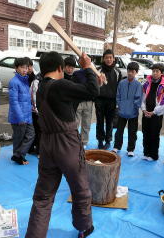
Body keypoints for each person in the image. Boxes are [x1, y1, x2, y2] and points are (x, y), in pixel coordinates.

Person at [25, 52, 103, 238]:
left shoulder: (40, 86)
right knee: (80, 189)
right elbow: (93, 92)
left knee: (43, 196)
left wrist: (93, 77)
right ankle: (84, 227)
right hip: (67, 144)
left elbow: (76, 93)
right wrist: (87, 67)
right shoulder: (59, 86)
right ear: (60, 68)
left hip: (47, 145)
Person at [141, 63, 164, 161]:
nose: (154, 73)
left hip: (156, 114)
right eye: (153, 71)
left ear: (161, 73)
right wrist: (144, 109)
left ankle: (153, 155)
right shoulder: (147, 83)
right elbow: (142, 97)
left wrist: (154, 112)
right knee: (145, 133)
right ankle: (146, 152)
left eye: (157, 71)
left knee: (154, 134)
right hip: (146, 112)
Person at [112, 62, 143, 157]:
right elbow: (118, 96)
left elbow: (138, 99)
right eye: (129, 71)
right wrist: (119, 106)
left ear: (136, 72)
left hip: (133, 113)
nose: (130, 73)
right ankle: (117, 146)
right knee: (119, 131)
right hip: (122, 112)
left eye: (132, 71)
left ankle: (130, 149)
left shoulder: (138, 85)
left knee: (132, 132)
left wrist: (134, 109)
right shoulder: (122, 83)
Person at [8, 57, 35, 165]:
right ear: (16, 68)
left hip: (27, 115)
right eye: (22, 67)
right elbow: (14, 102)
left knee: (31, 134)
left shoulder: (25, 80)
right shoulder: (14, 82)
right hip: (19, 117)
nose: (25, 70)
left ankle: (18, 155)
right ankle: (19, 156)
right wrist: (20, 118)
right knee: (19, 138)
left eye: (26, 67)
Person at [95, 49, 122, 150]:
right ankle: (100, 140)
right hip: (99, 100)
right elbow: (94, 85)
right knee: (100, 121)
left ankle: (108, 140)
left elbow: (119, 89)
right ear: (103, 59)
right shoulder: (98, 70)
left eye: (110, 57)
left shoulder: (117, 72)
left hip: (112, 101)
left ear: (114, 59)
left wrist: (118, 103)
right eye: (106, 57)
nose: (109, 59)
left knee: (110, 121)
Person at [73, 69, 95, 148]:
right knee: (75, 123)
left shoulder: (93, 73)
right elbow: (74, 87)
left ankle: (84, 141)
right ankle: (74, 140)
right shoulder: (76, 73)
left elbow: (95, 87)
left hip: (88, 101)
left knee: (86, 123)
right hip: (78, 101)